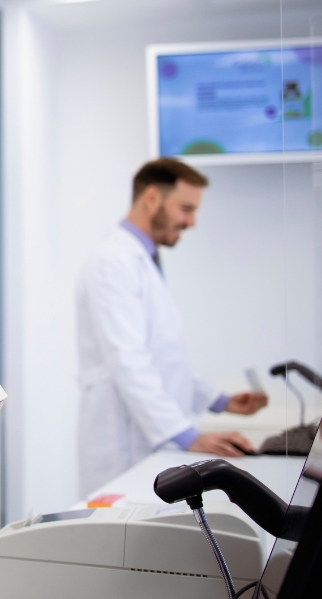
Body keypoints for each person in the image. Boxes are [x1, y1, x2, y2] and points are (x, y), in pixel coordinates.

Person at [76, 158, 268, 495]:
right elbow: (129, 361)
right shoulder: (113, 262)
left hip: (147, 438)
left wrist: (219, 400)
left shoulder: (142, 260)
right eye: (186, 208)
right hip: (123, 444)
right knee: (124, 541)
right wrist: (189, 436)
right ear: (151, 198)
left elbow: (164, 356)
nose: (192, 222)